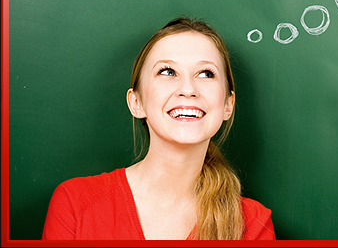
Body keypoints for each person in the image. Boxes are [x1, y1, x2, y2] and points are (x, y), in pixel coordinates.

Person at [42, 17, 275, 240]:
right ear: (137, 103)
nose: (188, 89)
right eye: (168, 72)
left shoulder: (253, 224)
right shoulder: (75, 204)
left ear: (228, 105)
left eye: (206, 73)